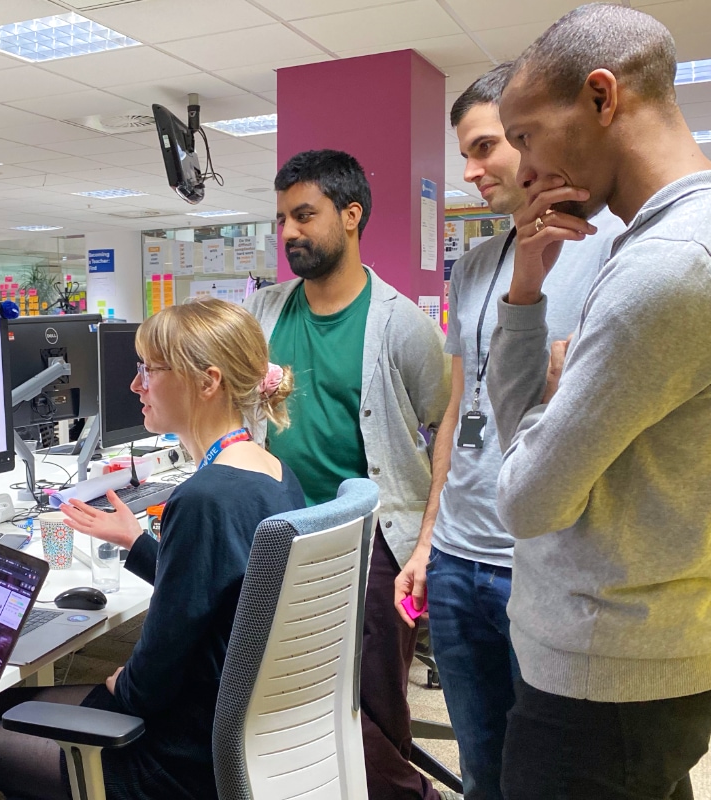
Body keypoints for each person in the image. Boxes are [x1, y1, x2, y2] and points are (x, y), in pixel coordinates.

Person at [0, 298, 306, 800]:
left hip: (174, 757)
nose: (136, 385)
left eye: (150, 371)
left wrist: (124, 684)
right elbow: (214, 595)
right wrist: (137, 542)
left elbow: (153, 674)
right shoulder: (268, 471)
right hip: (237, 736)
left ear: (207, 382)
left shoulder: (205, 499)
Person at [490, 5, 711, 798]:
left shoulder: (667, 268)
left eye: (524, 135)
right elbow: (533, 452)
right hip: (640, 659)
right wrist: (526, 295)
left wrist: (555, 399)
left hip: (604, 678)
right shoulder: (664, 245)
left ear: (601, 96)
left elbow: (524, 496)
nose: (521, 170)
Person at [392, 63, 623, 800]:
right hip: (458, 560)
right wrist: (428, 540)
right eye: (465, 151)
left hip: (546, 561)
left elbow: (589, 419)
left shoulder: (613, 249)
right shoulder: (476, 267)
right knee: (481, 761)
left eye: (487, 146)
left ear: (531, 135)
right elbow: (457, 412)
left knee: (554, 772)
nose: (470, 170)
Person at [244, 149, 451, 800]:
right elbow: (258, 405)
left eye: (304, 215)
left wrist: (429, 539)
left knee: (376, 708)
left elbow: (453, 424)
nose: (289, 233)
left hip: (379, 548)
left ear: (351, 215)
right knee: (289, 699)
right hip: (281, 533)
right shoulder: (265, 312)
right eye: (281, 219)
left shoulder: (401, 324)